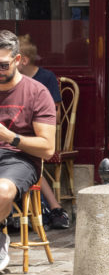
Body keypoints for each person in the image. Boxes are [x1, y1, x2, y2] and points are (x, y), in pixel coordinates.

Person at [0, 30, 57, 273]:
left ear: (17, 60)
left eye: (3, 65)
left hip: (19, 158)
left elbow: (48, 148)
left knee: (2, 190)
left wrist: (9, 136)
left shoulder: (37, 92)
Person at [17, 35, 70, 229]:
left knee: (23, 153)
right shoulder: (10, 80)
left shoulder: (46, 78)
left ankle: (48, 209)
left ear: (23, 60)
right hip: (17, 134)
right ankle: (48, 209)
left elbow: (55, 115)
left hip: (41, 134)